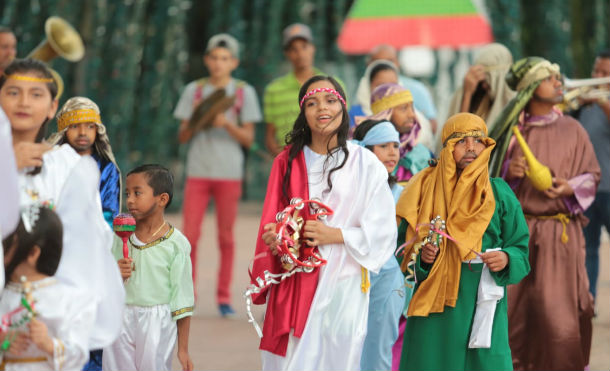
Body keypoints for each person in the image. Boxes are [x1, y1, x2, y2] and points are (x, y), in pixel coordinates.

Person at [250, 75, 397, 370]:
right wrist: (276, 236)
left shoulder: (364, 162)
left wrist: (335, 234)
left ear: (343, 107)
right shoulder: (287, 161)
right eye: (312, 103)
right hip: (293, 278)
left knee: (338, 357)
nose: (322, 109)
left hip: (344, 280)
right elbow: (272, 217)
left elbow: (383, 231)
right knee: (289, 358)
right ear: (303, 113)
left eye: (330, 101)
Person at [0, 58, 125, 360]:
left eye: (36, 94)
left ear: (53, 106)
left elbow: (91, 247)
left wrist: (63, 316)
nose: (24, 102)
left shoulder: (70, 167)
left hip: (50, 319)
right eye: (13, 92)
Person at [396, 112, 530, 371]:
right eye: (460, 140)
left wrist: (505, 258)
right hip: (437, 306)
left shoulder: (499, 193)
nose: (470, 147)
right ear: (446, 148)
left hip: (482, 297)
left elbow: (520, 249)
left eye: (477, 140)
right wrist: (424, 259)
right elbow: (404, 250)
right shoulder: (425, 189)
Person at [492, 57, 600, 370]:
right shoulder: (511, 134)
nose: (558, 82)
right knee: (517, 313)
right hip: (519, 236)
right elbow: (490, 183)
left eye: (557, 77)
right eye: (549, 78)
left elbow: (592, 174)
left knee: (562, 317)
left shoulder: (574, 128)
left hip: (561, 235)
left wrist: (570, 187)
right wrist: (511, 172)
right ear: (529, 88)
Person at [173, 33, 262, 316]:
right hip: (198, 171)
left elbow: (249, 139)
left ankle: (224, 298)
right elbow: (183, 136)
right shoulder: (194, 91)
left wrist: (225, 124)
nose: (218, 63)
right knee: (191, 236)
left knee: (226, 236)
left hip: (229, 173)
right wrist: (200, 119)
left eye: (225, 58)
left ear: (233, 62)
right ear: (207, 60)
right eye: (214, 57)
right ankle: (189, 293)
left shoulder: (243, 92)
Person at [103, 164, 194, 371]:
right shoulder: (117, 237)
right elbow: (103, 281)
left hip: (157, 320)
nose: (130, 200)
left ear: (162, 199)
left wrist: (183, 349)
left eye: (137, 193)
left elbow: (183, 299)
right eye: (127, 193)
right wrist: (114, 273)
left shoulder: (176, 244)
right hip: (120, 315)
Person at [0, 206, 96, 371]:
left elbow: (79, 353)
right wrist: (3, 340)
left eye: (10, 244)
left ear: (32, 253)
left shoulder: (69, 298)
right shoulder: (3, 293)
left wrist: (49, 344)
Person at [352, 119, 407, 371]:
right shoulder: (347, 191)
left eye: (396, 145)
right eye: (383, 145)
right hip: (349, 279)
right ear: (364, 150)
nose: (393, 152)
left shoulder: (402, 194)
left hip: (386, 282)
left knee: (377, 353)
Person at [264, 23, 344, 156]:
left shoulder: (334, 86)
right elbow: (270, 137)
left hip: (327, 160)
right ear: (287, 54)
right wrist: (288, 161)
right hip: (289, 164)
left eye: (304, 47)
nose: (300, 53)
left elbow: (343, 126)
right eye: (294, 49)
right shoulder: (273, 90)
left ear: (313, 48)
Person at [571, 49, 610, 302]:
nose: (597, 77)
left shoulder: (602, 104)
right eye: (596, 71)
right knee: (588, 249)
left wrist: (603, 102)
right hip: (587, 189)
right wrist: (577, 105)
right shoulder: (582, 105)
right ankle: (589, 300)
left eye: (605, 73)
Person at [48, 96, 121, 228]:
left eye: (90, 126)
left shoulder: (106, 168)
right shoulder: (51, 162)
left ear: (97, 130)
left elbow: (109, 215)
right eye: (75, 126)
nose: (82, 132)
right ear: (64, 130)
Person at [356, 44, 438, 133]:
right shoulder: (361, 95)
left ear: (398, 62)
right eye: (379, 61)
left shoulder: (416, 89)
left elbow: (431, 125)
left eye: (390, 60)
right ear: (369, 65)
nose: (385, 64)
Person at [367, 83, 435, 181]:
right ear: (384, 113)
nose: (411, 115)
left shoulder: (423, 153)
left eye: (412, 108)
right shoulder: (365, 152)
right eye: (404, 108)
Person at [447, 43, 515, 133]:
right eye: (482, 81)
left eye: (489, 80)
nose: (484, 86)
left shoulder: (517, 109)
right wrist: (467, 94)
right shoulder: (480, 97)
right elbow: (460, 136)